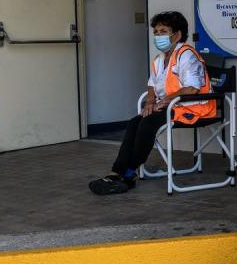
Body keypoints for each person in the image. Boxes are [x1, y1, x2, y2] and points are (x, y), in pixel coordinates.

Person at [89, 11, 216, 195]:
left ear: (177, 35)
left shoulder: (187, 55)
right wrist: (150, 101)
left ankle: (130, 173)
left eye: (163, 31)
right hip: (173, 106)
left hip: (194, 107)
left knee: (148, 122)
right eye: (156, 32)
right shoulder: (159, 59)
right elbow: (152, 85)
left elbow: (192, 88)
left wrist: (163, 101)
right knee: (135, 122)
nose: (158, 36)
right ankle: (116, 172)